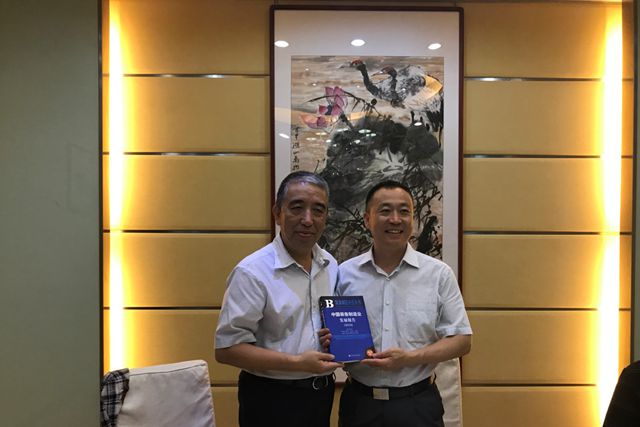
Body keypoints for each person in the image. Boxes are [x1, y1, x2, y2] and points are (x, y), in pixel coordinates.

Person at [332, 180, 472, 427]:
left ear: (413, 219)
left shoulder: (438, 274)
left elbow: (462, 341)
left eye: (404, 211)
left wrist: (409, 358)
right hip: (360, 405)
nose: (395, 219)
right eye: (385, 211)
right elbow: (334, 334)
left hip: (418, 405)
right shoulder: (344, 274)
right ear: (367, 219)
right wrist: (332, 343)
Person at [215, 171, 343, 427]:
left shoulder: (329, 264)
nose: (308, 219)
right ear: (277, 213)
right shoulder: (252, 272)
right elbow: (227, 349)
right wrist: (298, 363)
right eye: (297, 208)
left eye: (318, 210)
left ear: (326, 217)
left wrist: (334, 338)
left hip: (320, 394)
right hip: (270, 397)